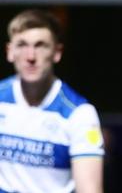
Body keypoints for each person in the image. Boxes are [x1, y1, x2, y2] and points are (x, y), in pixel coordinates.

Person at [0, 10, 104, 193]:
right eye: (22, 45)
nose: (30, 56)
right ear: (9, 52)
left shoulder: (80, 114)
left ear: (57, 52)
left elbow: (90, 190)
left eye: (40, 46)